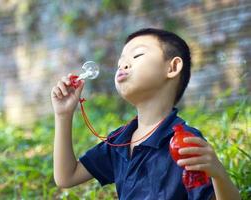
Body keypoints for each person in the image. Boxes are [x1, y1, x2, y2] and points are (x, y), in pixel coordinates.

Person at [51, 28, 241, 200]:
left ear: (172, 68)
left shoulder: (184, 143)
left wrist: (218, 174)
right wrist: (63, 115)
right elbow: (67, 176)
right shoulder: (119, 141)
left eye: (137, 55)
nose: (123, 65)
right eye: (120, 62)